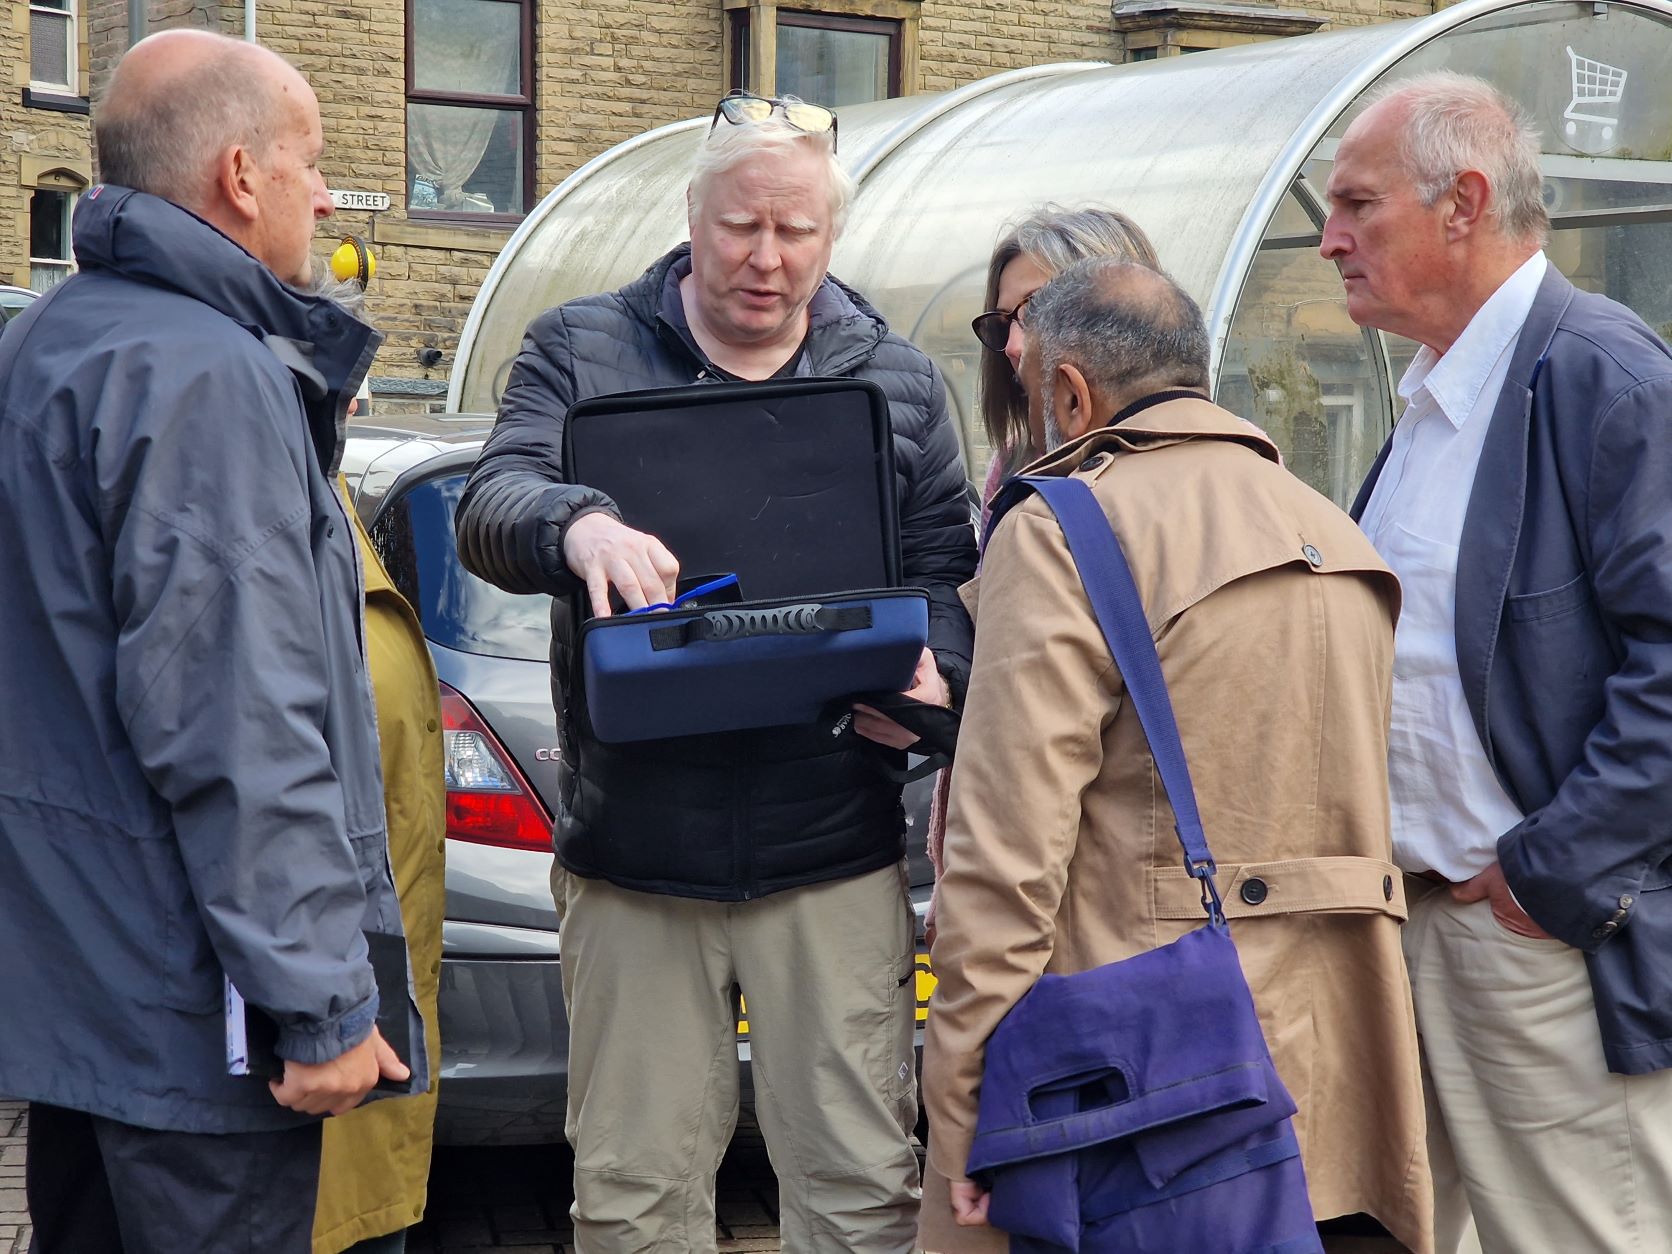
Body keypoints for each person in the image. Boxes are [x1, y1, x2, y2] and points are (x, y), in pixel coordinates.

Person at [454, 93, 976, 1253]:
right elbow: (492, 504)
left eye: (796, 232)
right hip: (636, 856)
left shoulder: (894, 380)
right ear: (693, 214)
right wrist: (574, 523)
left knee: (857, 1191)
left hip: (829, 860)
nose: (766, 258)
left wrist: (934, 681)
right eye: (741, 226)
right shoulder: (580, 348)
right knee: (636, 1199)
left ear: (831, 236)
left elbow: (945, 570)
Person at [0, 29, 422, 1254]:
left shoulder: (48, 342)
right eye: (311, 160)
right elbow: (236, 716)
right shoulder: (206, 378)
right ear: (241, 175)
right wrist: (320, 1003)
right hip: (197, 1015)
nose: (328, 191)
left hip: (85, 1001)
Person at [919, 258, 1431, 1254]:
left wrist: (967, 1116)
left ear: (1070, 391)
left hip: (1132, 1104)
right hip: (1338, 1079)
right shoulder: (1336, 534)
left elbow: (1005, 861)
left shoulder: (1066, 530)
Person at [1323, 71, 1672, 1254]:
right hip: (1423, 927)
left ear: (1462, 203)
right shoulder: (1435, 396)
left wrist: (1549, 879)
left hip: (1539, 941)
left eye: (1357, 206)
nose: (1328, 240)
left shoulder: (1603, 379)